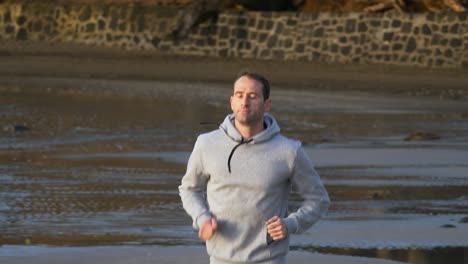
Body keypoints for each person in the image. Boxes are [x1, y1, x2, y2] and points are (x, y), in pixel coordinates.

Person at [179, 70, 330, 264]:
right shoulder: (206, 144)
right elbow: (189, 189)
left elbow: (319, 199)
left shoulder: (288, 151)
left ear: (267, 104)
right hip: (220, 259)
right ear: (231, 101)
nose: (245, 102)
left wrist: (291, 224)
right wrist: (202, 218)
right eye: (240, 95)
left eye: (253, 96)